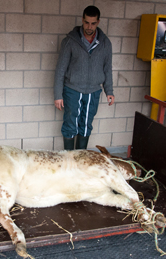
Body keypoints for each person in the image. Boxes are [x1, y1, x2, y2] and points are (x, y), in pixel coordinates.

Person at [54, 5, 114, 150]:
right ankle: (69, 160)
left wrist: (109, 91)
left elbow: (107, 69)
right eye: (87, 22)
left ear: (98, 22)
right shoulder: (70, 41)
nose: (89, 26)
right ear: (82, 20)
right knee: (70, 124)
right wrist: (58, 95)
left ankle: (81, 159)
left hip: (93, 91)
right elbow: (60, 69)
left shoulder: (105, 43)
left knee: (86, 125)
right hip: (72, 90)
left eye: (93, 23)